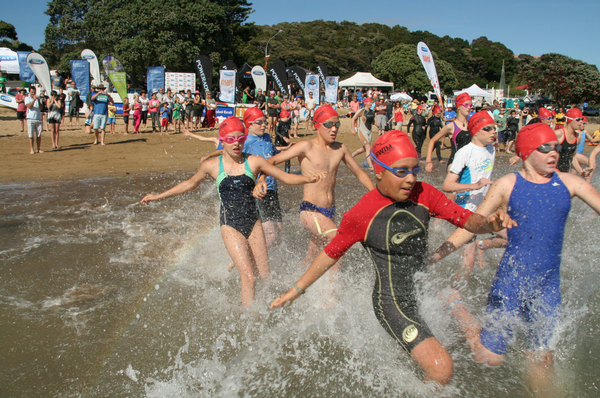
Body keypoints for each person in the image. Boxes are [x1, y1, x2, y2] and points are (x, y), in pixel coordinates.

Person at [271, 130, 515, 384]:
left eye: (414, 170)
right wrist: (296, 290)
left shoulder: (424, 193)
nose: (410, 179)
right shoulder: (362, 213)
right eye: (401, 171)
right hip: (391, 303)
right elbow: (330, 254)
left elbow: (465, 219)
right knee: (442, 368)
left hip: (418, 290)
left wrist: (488, 223)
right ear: (379, 171)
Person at [430, 122, 600, 394]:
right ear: (526, 152)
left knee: (541, 359)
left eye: (555, 148)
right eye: (545, 148)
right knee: (490, 358)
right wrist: (437, 254)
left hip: (548, 286)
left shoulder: (569, 182)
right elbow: (472, 226)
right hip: (511, 282)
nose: (553, 153)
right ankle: (454, 300)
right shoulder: (508, 184)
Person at [141, 116, 325, 307]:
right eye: (230, 139)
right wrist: (158, 196)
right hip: (230, 226)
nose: (236, 143)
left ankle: (262, 310)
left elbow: (285, 177)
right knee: (249, 277)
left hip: (254, 223)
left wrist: (308, 179)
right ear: (222, 141)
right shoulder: (212, 166)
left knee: (264, 276)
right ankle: (249, 319)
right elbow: (189, 184)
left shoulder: (254, 162)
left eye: (240, 139)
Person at [267, 104, 375, 271]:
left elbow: (360, 174)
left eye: (337, 124)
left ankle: (294, 280)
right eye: (328, 124)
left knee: (311, 256)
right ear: (317, 125)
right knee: (337, 241)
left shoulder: (340, 149)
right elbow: (271, 162)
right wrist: (262, 180)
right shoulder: (306, 147)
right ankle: (330, 294)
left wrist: (376, 195)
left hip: (329, 211)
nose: (334, 129)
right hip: (310, 210)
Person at [442, 111, 506, 278]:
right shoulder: (465, 152)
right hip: (466, 212)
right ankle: (453, 293)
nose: (494, 132)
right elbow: (447, 185)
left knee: (514, 238)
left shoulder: (491, 149)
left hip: (486, 208)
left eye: (495, 128)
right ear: (476, 131)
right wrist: (475, 185)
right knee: (468, 264)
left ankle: (483, 244)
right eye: (488, 128)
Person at [425, 93, 473, 172]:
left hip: (469, 164)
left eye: (470, 105)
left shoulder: (472, 125)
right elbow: (432, 140)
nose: (469, 107)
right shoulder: (452, 126)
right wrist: (428, 161)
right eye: (466, 105)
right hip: (454, 163)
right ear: (458, 107)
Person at [351, 98, 375, 170]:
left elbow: (372, 121)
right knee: (368, 147)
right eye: (370, 102)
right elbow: (353, 118)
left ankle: (352, 155)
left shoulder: (372, 111)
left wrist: (376, 124)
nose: (371, 104)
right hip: (362, 131)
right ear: (366, 103)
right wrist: (353, 129)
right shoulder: (362, 111)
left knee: (364, 148)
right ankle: (371, 166)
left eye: (372, 102)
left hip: (369, 131)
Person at [25, 86, 43, 154]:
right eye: (32, 92)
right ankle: (32, 149)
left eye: (34, 92)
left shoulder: (39, 99)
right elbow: (29, 106)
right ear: (29, 92)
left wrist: (38, 100)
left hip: (38, 118)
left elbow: (41, 107)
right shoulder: (27, 98)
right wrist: (34, 100)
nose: (33, 93)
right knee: (31, 135)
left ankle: (38, 149)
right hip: (30, 118)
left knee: (39, 135)